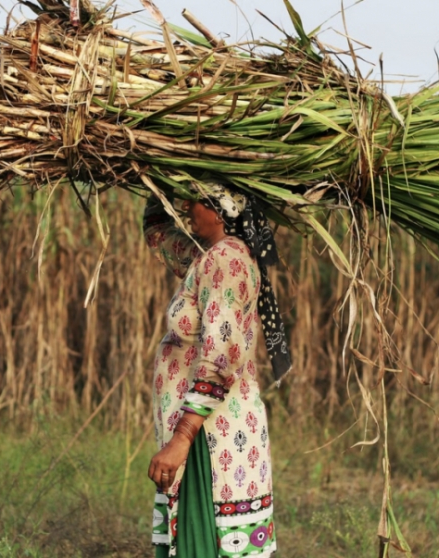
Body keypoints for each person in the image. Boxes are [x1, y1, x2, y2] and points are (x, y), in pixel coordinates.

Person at [142, 182, 292, 558]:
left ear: (222, 208)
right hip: (198, 432)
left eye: (196, 200)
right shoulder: (207, 256)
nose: (188, 207)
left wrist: (181, 439)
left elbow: (221, 357)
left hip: (210, 436)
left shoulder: (228, 260)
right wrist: (152, 172)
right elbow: (159, 234)